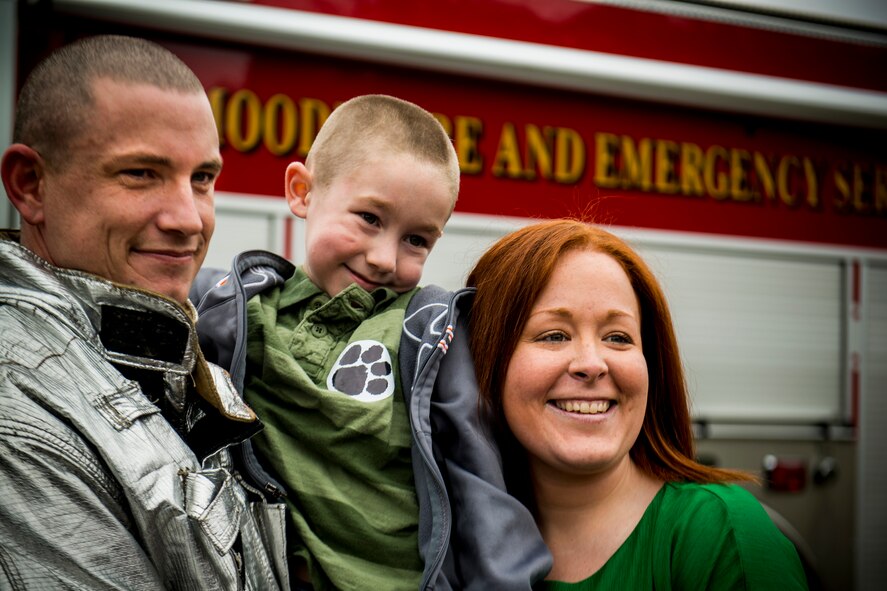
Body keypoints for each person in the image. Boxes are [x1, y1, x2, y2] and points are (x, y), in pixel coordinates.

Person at [191, 94, 551, 590]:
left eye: (417, 240)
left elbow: (481, 488)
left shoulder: (429, 337)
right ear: (301, 191)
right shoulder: (230, 311)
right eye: (370, 219)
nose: (384, 259)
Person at [0, 35, 288, 589]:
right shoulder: (19, 413)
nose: (189, 219)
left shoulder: (161, 349)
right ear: (30, 185)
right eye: (140, 174)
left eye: (202, 178)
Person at [465, 219, 810, 589]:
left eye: (617, 337)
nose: (592, 364)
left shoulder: (722, 535)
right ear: (486, 359)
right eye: (554, 335)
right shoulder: (449, 543)